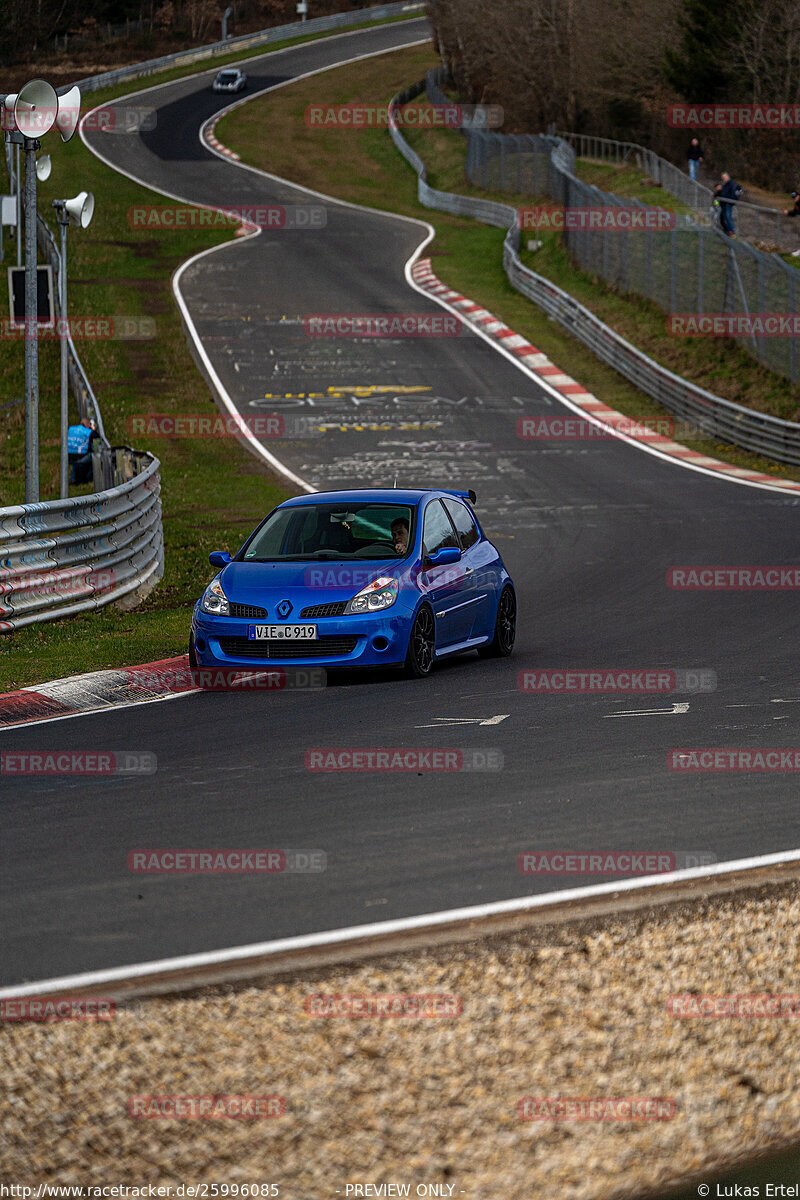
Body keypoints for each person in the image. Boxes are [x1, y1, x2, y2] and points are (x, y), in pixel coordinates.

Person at [67, 414, 98, 485]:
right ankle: (88, 480)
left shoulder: (71, 429)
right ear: (88, 424)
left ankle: (73, 480)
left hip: (68, 456)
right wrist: (93, 429)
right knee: (94, 456)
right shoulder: (88, 432)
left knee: (75, 463)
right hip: (81, 457)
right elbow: (96, 437)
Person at [716, 172, 740, 237]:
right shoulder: (725, 184)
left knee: (728, 218)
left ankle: (732, 232)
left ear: (728, 177)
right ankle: (728, 231)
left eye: (725, 177)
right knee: (725, 218)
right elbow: (723, 193)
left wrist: (728, 201)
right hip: (723, 203)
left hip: (728, 203)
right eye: (723, 178)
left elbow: (733, 194)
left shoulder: (732, 184)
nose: (724, 179)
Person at [782, 191, 800, 256]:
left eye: (795, 197)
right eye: (793, 198)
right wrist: (788, 213)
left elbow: (798, 212)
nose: (794, 199)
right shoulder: (797, 203)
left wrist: (789, 213)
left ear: (798, 195)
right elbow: (795, 212)